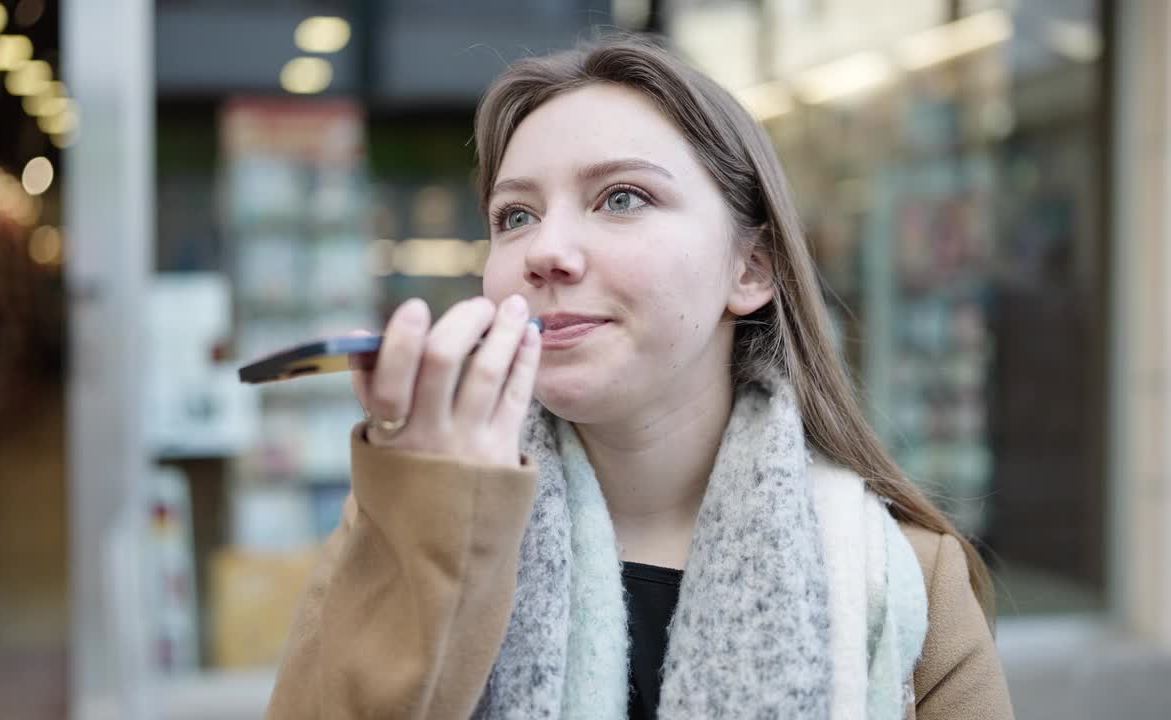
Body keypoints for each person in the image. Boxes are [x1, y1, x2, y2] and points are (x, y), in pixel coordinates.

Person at [265, 35, 1014, 720]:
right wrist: (430, 515)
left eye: (622, 198)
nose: (545, 251)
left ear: (750, 267)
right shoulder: (402, 529)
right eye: (514, 215)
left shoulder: (903, 580)